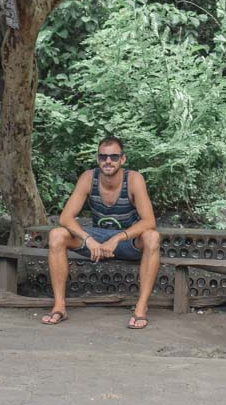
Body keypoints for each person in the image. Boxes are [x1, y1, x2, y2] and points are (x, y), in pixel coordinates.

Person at [41, 136, 159, 329]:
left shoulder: (134, 179)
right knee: (56, 234)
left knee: (152, 237)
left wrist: (118, 238)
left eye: (113, 156)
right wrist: (88, 240)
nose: (108, 161)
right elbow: (66, 218)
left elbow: (149, 221)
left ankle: (140, 308)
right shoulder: (89, 178)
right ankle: (59, 307)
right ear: (98, 159)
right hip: (96, 241)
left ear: (123, 159)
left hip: (126, 241)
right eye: (103, 157)